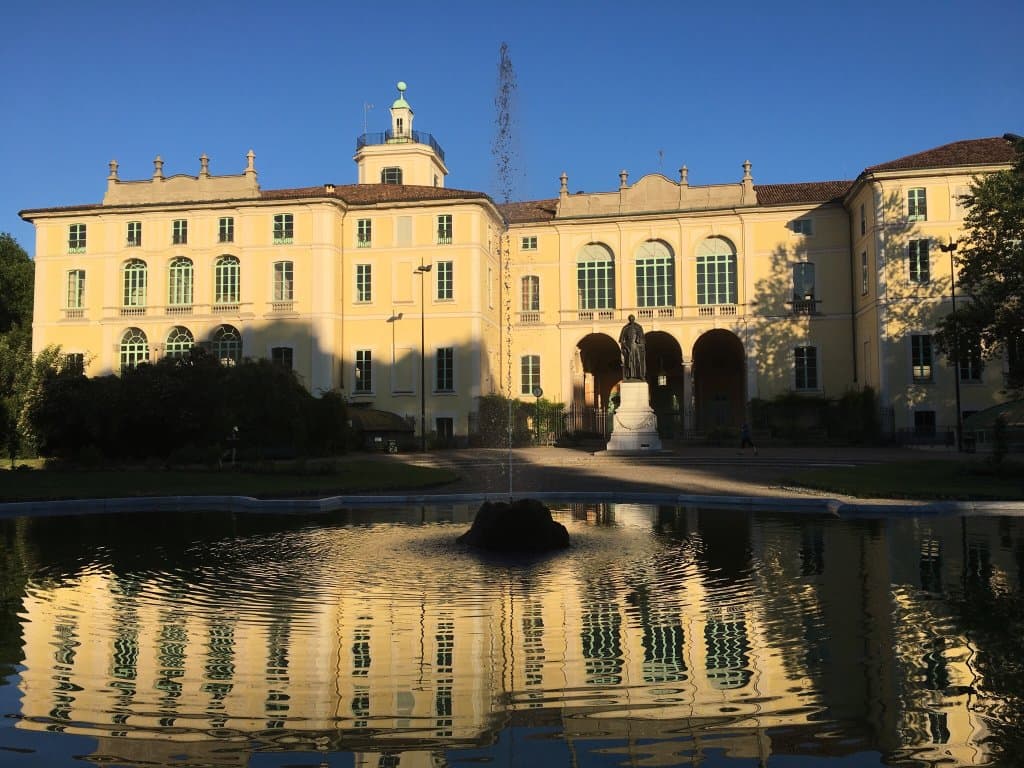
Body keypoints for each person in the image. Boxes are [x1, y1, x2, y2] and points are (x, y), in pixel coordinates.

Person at [619, 315, 646, 380]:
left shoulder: (639, 327)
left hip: (637, 347)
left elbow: (642, 338)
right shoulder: (625, 328)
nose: (632, 320)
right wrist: (625, 347)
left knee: (638, 361)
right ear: (629, 320)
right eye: (630, 319)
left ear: (634, 319)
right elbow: (622, 340)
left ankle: (640, 375)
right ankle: (630, 376)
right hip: (628, 347)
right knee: (629, 362)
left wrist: (641, 345)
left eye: (632, 319)